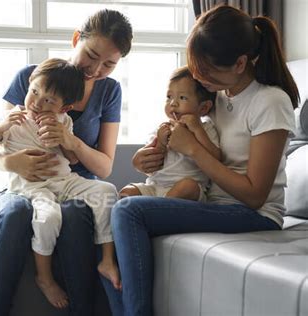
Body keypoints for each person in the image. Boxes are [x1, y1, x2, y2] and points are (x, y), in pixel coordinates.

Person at [111, 5, 299, 315]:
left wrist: (194, 150)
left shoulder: (270, 102)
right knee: (109, 209)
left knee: (130, 212)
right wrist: (149, 157)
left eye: (206, 72)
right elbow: (182, 136)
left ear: (240, 63)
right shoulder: (218, 96)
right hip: (211, 202)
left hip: (253, 213)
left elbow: (255, 195)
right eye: (194, 68)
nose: (198, 78)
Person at [0, 9, 133, 316]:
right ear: (77, 39)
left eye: (109, 64)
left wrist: (70, 141)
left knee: (74, 217)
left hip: (72, 184)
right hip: (22, 183)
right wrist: (15, 164)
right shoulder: (32, 77)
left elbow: (104, 168)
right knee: (16, 213)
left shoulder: (109, 91)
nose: (97, 69)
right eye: (91, 55)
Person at [119, 66, 220, 201]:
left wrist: (197, 130)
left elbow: (217, 158)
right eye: (169, 97)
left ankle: (159, 212)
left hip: (188, 191)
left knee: (188, 186)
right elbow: (151, 166)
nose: (173, 103)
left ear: (203, 108)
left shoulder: (206, 129)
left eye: (182, 97)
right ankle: (157, 210)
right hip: (155, 187)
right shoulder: (162, 129)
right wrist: (160, 142)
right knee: (127, 192)